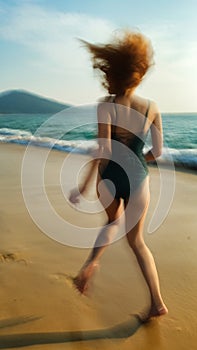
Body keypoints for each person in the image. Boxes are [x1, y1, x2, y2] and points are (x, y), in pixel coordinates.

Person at [69, 30, 168, 322]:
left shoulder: (107, 104)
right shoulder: (152, 107)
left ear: (113, 72)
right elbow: (158, 152)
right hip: (139, 178)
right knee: (137, 242)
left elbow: (102, 150)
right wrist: (138, 161)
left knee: (111, 222)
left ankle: (91, 265)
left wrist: (84, 186)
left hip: (110, 175)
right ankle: (157, 303)